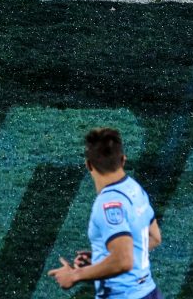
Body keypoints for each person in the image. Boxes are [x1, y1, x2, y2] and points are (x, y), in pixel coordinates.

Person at [48, 127, 163, 298]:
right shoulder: (135, 189)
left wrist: (74, 275)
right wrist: (103, 260)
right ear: (123, 160)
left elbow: (123, 261)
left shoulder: (108, 204)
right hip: (150, 293)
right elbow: (154, 237)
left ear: (88, 165)